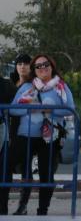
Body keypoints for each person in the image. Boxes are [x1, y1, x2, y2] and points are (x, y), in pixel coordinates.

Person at [10, 54, 75, 216]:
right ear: (34, 70)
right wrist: (31, 107)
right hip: (26, 135)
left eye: (45, 64)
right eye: (38, 66)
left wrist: (48, 110)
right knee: (6, 165)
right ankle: (14, 206)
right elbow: (12, 109)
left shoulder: (61, 87)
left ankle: (42, 212)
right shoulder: (26, 87)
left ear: (52, 66)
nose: (42, 68)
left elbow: (70, 109)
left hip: (50, 137)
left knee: (46, 175)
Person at [9, 53, 33, 215]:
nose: (22, 66)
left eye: (25, 63)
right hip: (9, 130)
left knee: (25, 167)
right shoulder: (10, 83)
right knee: (6, 166)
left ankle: (22, 205)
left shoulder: (33, 85)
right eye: (19, 63)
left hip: (26, 130)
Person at [0, 75, 17, 215]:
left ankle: (2, 208)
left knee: (3, 172)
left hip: (3, 133)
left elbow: (16, 106)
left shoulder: (6, 85)